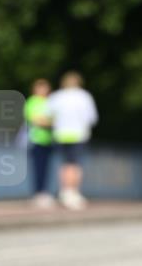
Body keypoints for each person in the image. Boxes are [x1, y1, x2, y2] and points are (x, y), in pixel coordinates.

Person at [46, 72, 98, 210]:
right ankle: (73, 192)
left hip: (60, 134)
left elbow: (48, 116)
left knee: (64, 164)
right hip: (78, 134)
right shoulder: (84, 96)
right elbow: (92, 118)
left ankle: (64, 191)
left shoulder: (56, 96)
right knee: (74, 164)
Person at [25, 79, 55, 207]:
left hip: (49, 140)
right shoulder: (32, 102)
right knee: (38, 167)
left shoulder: (51, 102)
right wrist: (49, 122)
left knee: (47, 167)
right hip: (35, 140)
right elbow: (36, 120)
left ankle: (44, 192)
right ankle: (38, 193)